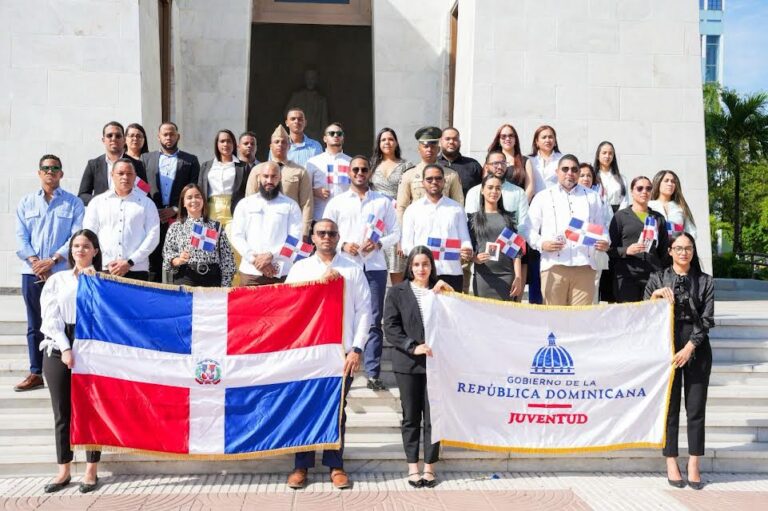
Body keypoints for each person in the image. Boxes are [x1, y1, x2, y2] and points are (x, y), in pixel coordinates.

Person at [285, 219, 372, 490]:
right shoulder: (300, 269)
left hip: (340, 353)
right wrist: (317, 285)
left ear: (338, 237)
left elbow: (365, 311)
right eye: (321, 233)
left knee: (337, 410)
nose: (326, 237)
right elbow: (289, 306)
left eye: (332, 233)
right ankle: (301, 465)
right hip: (308, 353)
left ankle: (335, 465)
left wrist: (357, 349)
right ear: (312, 236)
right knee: (305, 408)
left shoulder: (353, 268)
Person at [324, 155, 399, 391]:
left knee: (374, 318)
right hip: (345, 265)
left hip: (374, 266)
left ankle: (373, 371)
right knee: (341, 315)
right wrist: (342, 245)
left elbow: (396, 233)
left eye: (363, 169)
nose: (359, 173)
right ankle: (339, 366)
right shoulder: (337, 202)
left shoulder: (383, 202)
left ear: (370, 172)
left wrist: (378, 244)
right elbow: (324, 232)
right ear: (349, 172)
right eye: (355, 169)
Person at [645, 233, 713, 490]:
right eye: (679, 248)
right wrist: (654, 298)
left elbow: (707, 320)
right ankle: (671, 461)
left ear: (693, 252)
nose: (684, 253)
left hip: (696, 346)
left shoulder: (705, 281)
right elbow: (643, 314)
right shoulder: (658, 278)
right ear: (670, 251)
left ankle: (694, 463)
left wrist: (689, 348)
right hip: (666, 346)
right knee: (670, 409)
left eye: (688, 248)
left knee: (695, 408)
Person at [384, 246, 453, 489]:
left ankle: (429, 468)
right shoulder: (397, 292)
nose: (421, 269)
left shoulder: (441, 291)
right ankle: (413, 467)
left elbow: (456, 320)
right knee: (411, 417)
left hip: (436, 364)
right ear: (409, 267)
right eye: (416, 264)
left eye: (425, 264)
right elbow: (390, 328)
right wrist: (412, 346)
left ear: (432, 266)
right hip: (408, 363)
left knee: (433, 416)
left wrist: (450, 294)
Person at [14, 154, 85, 392]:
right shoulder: (26, 203)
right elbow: (21, 237)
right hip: (32, 272)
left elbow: (75, 237)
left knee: (65, 322)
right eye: (45, 168)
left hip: (60, 273)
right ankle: (36, 372)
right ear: (39, 172)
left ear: (61, 173)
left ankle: (66, 369)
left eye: (55, 168)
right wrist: (36, 262)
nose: (50, 172)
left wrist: (52, 260)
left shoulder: (73, 203)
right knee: (35, 324)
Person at [39, 229, 102, 493]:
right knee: (62, 411)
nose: (80, 250)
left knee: (91, 410)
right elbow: (50, 318)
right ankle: (63, 468)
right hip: (59, 344)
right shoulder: (58, 280)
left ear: (95, 251)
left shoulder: (104, 281)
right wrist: (65, 348)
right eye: (76, 246)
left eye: (86, 246)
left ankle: (91, 470)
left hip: (93, 347)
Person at [524, 155, 611, 306]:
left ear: (578, 173)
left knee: (579, 321)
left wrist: (605, 241)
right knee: (554, 320)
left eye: (574, 169)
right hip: (553, 265)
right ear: (557, 171)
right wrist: (541, 244)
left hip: (585, 266)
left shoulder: (592, 197)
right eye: (565, 169)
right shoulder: (543, 196)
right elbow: (527, 228)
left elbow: (602, 227)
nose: (569, 173)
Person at [82, 158, 160, 281]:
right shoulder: (97, 202)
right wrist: (108, 262)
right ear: (112, 175)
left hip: (137, 269)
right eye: (121, 173)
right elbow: (89, 234)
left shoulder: (147, 203)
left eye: (129, 174)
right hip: (105, 268)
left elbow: (153, 236)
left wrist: (130, 262)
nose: (125, 177)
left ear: (135, 177)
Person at [141, 122, 201, 282]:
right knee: (153, 260)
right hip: (153, 216)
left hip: (180, 217)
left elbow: (193, 188)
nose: (168, 137)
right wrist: (153, 209)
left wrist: (175, 209)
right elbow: (142, 187)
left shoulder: (190, 160)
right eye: (165, 134)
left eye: (172, 134)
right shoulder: (146, 159)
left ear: (178, 136)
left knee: (180, 258)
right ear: (158, 136)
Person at [401, 164, 473, 291]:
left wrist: (466, 249)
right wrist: (422, 260)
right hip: (422, 274)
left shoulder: (456, 208)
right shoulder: (412, 210)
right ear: (423, 182)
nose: (434, 182)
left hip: (451, 271)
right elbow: (407, 245)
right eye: (429, 179)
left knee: (451, 310)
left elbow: (464, 238)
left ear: (444, 181)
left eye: (438, 178)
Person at [230, 161, 303, 286]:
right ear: (259, 178)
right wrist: (255, 260)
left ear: (280, 178)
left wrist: (271, 256)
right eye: (265, 176)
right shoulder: (244, 204)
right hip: (251, 272)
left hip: (281, 273)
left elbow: (295, 239)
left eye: (274, 176)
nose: (269, 180)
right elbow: (236, 236)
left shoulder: (291, 205)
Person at [609, 176, 670, 303]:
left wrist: (664, 275)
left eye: (648, 188)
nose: (644, 191)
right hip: (627, 275)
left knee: (652, 317)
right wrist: (626, 250)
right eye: (640, 188)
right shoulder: (620, 217)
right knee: (628, 317)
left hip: (653, 275)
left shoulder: (658, 218)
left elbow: (664, 251)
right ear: (632, 191)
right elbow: (609, 249)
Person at [162, 184, 236, 287]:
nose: (194, 200)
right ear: (183, 203)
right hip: (185, 278)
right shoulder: (175, 227)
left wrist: (224, 287)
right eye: (189, 197)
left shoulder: (216, 226)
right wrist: (178, 260)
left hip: (212, 280)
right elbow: (167, 255)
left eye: (197, 196)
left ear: (203, 200)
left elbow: (227, 260)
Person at [249, 125, 313, 239]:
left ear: (289, 146)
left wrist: (304, 231)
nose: (280, 144)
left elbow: (307, 203)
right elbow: (249, 199)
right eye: (276, 142)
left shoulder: (299, 171)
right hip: (262, 225)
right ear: (270, 146)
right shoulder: (258, 170)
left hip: (291, 226)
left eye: (284, 142)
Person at [469, 174, 523, 300]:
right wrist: (474, 258)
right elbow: (468, 248)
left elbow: (516, 251)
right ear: (482, 190)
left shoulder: (509, 218)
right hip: (483, 277)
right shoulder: (473, 219)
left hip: (507, 276)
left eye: (498, 188)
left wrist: (518, 277)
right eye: (490, 187)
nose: (494, 191)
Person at [396, 127, 464, 221]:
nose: (429, 149)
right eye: (426, 146)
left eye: (433, 146)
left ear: (438, 149)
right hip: (418, 224)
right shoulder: (408, 175)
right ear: (419, 149)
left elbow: (458, 205)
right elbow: (401, 207)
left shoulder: (451, 174)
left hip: (443, 223)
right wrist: (402, 231)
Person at [370, 127, 409, 284]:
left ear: (396, 142)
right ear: (378, 143)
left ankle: (397, 305)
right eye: (383, 139)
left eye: (390, 139)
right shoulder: (371, 165)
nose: (387, 142)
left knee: (396, 269)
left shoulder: (406, 165)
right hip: (377, 220)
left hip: (397, 219)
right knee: (375, 267)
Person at [77, 121, 148, 206]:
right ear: (103, 140)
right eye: (109, 135)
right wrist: (104, 198)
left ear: (124, 140)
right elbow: (82, 196)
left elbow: (145, 193)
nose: (113, 138)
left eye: (118, 136)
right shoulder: (93, 165)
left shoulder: (137, 165)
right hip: (103, 214)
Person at [198, 129, 249, 231]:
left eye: (229, 141)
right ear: (217, 144)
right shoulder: (206, 165)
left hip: (234, 209)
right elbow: (199, 189)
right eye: (222, 141)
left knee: (232, 243)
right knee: (210, 244)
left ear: (234, 144)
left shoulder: (243, 167)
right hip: (211, 209)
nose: (225, 144)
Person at [578, 163, 612, 303]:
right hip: (573, 255)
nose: (585, 178)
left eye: (589, 175)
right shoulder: (568, 199)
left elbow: (606, 224)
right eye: (582, 175)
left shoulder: (600, 200)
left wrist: (605, 241)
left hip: (594, 253)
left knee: (592, 295)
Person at [306, 122, 352, 221]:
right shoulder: (313, 162)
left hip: (345, 218)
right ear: (325, 138)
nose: (336, 135)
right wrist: (314, 192)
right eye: (331, 133)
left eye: (339, 134)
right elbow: (304, 189)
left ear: (343, 138)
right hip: (320, 217)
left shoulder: (351, 162)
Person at [487, 123, 534, 201]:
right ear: (498, 140)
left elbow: (530, 189)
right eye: (503, 136)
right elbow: (486, 185)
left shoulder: (525, 161)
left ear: (515, 140)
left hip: (519, 205)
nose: (507, 138)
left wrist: (521, 206)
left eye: (511, 135)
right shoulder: (491, 160)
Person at [649, 170, 697, 239]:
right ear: (658, 183)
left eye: (673, 181)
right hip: (655, 248)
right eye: (666, 181)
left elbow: (691, 231)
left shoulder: (681, 207)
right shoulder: (649, 206)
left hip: (676, 248)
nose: (670, 184)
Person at [437, 127, 482, 198]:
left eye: (455, 139)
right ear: (440, 142)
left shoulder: (473, 165)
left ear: (460, 143)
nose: (451, 142)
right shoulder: (433, 164)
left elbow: (481, 191)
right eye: (447, 139)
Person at [285, 70, 329, 141]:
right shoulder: (296, 96)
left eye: (312, 78)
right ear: (305, 79)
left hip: (315, 137)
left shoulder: (321, 100)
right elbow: (286, 113)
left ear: (316, 80)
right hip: (297, 135)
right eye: (308, 78)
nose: (310, 81)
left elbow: (324, 122)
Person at [593, 141, 629, 214]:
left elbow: (625, 201)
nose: (607, 156)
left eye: (610, 153)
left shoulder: (622, 178)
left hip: (618, 214)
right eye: (604, 153)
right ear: (598, 155)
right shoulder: (593, 177)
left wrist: (618, 216)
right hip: (598, 213)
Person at [528, 124, 563, 195]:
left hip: (556, 200)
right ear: (536, 142)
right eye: (544, 137)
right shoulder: (529, 160)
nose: (547, 140)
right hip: (534, 201)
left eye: (550, 137)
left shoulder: (563, 159)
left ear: (555, 141)